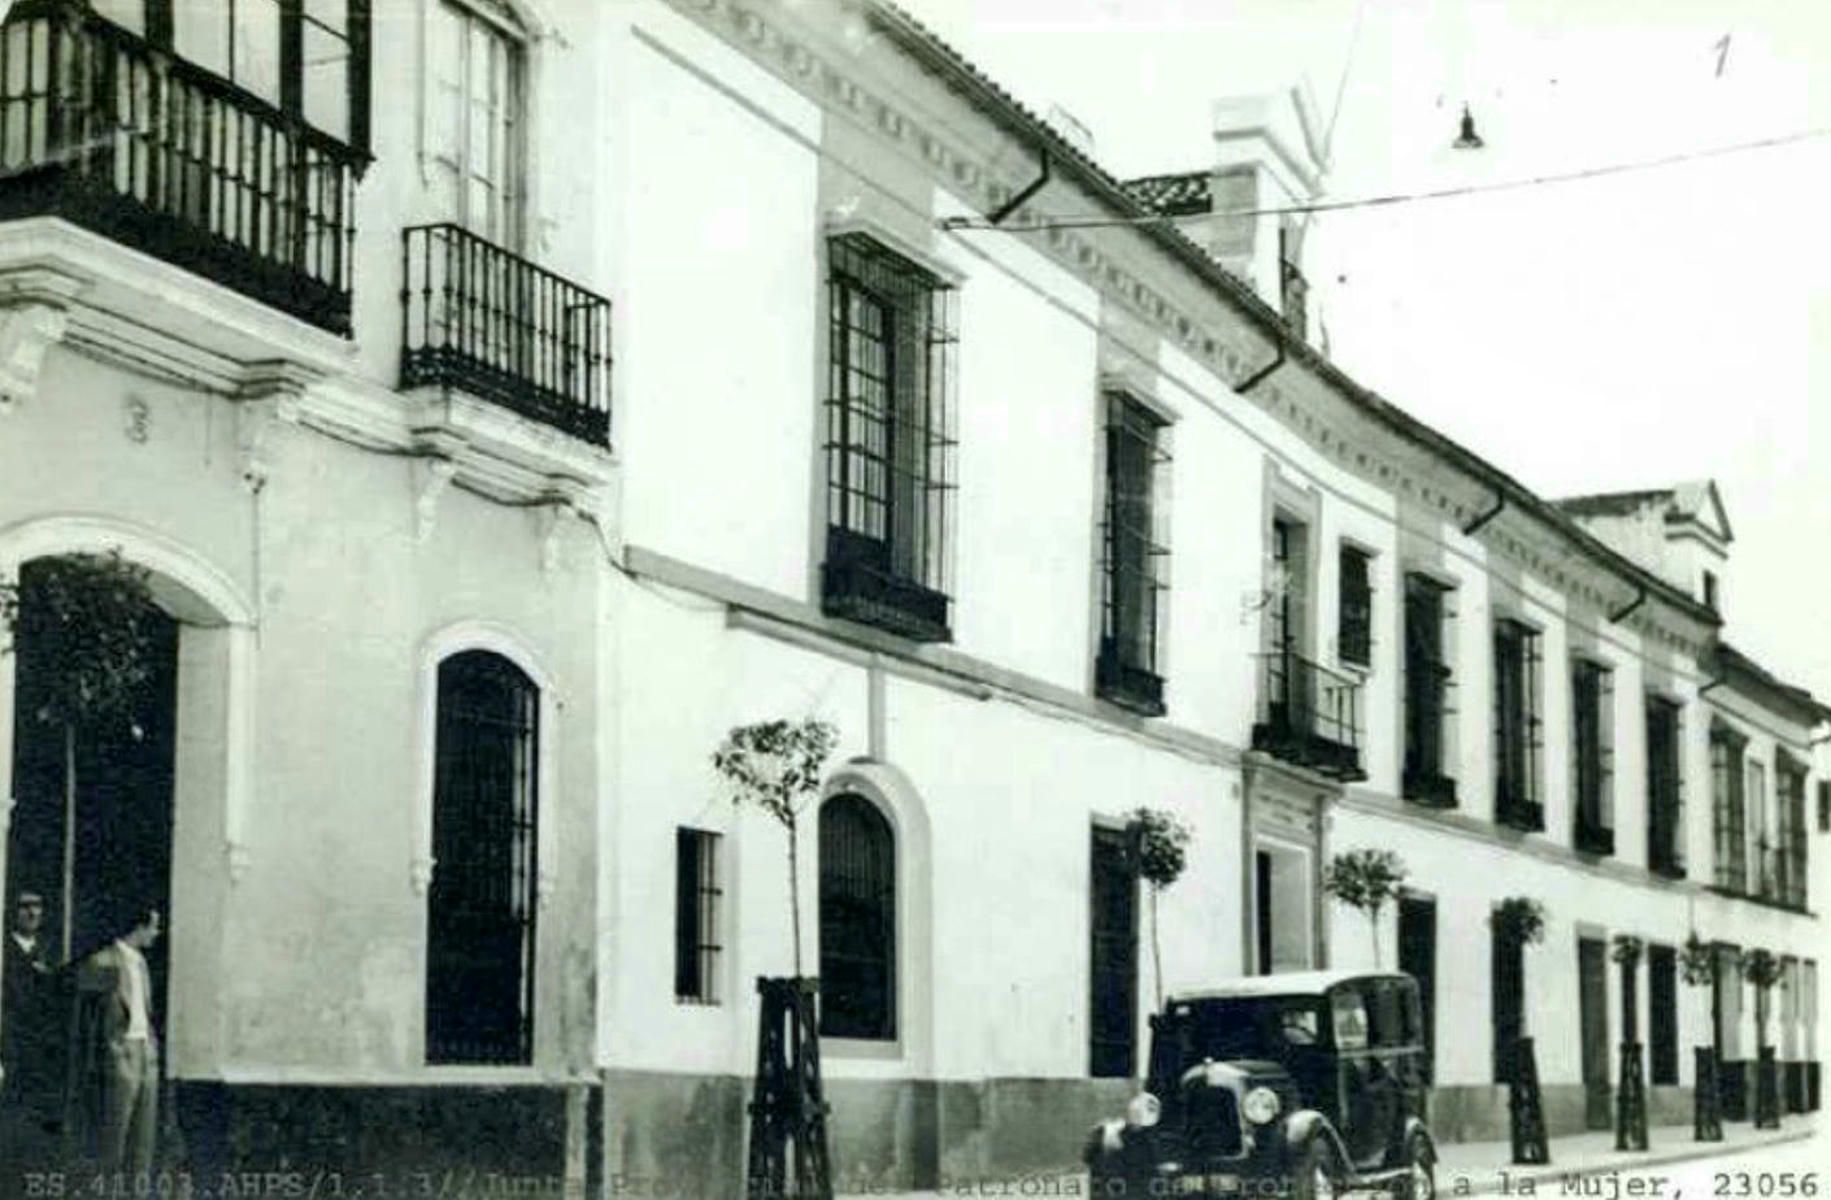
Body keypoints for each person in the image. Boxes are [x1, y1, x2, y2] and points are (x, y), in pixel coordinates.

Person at [70, 909, 162, 1179]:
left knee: (143, 1145)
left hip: (146, 1055)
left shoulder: (142, 964)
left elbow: (145, 1011)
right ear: (139, 927)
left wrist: (151, 1051)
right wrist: (108, 1055)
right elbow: (84, 1023)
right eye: (154, 927)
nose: (157, 933)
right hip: (118, 1058)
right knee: (113, 1146)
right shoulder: (102, 962)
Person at [2, 892, 59, 1166]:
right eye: (25, 906)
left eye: (37, 906)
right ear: (13, 912)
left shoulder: (50, 950)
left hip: (41, 1044)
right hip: (12, 1040)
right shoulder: (5, 951)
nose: (32, 913)